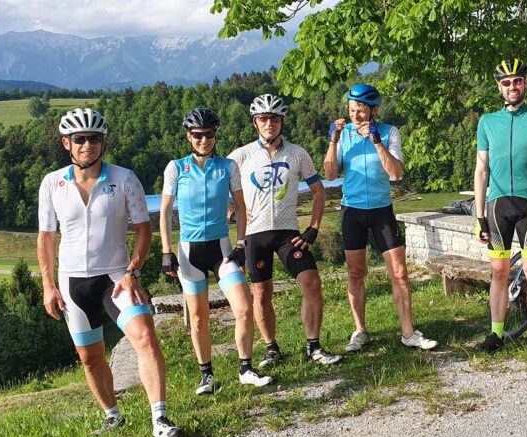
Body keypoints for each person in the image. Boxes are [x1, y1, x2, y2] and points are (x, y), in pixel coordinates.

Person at [37, 108, 184, 437]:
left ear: (103, 142)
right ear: (66, 143)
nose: (88, 144)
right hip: (73, 282)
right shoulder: (52, 183)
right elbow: (46, 237)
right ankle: (112, 416)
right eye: (80, 139)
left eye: (95, 138)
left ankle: (160, 419)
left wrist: (133, 270)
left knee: (145, 337)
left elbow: (144, 230)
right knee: (90, 358)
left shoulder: (124, 178)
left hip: (117, 276)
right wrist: (48, 285)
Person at [159, 108, 274, 395]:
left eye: (209, 134)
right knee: (198, 318)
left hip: (222, 250)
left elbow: (241, 208)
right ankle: (206, 376)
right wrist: (166, 250)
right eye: (197, 135)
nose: (204, 140)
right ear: (188, 136)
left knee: (244, 308)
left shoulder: (227, 167)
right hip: (189, 253)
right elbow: (165, 212)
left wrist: (241, 244)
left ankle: (245, 369)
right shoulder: (176, 168)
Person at [226, 94, 342, 368]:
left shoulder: (297, 153)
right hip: (254, 234)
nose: (269, 123)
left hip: (289, 233)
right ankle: (271, 349)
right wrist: (233, 213)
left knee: (312, 284)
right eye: (264, 118)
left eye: (275, 119)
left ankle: (314, 347)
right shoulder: (240, 156)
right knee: (261, 293)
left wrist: (313, 229)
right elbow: (218, 192)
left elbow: (318, 191)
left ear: (282, 122)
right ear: (255, 123)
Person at [323, 83, 439, 353]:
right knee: (355, 272)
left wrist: (377, 141)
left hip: (381, 210)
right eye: (352, 110)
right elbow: (329, 175)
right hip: (352, 211)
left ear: (374, 111)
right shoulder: (344, 134)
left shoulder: (389, 132)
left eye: (361, 110)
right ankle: (360, 331)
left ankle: (408, 333)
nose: (356, 115)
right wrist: (333, 141)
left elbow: (396, 173)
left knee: (400, 273)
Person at [473, 59, 527, 356]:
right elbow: (481, 171)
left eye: (518, 80)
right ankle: (496, 334)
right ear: (499, 86)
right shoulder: (487, 122)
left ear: (525, 83)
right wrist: (479, 216)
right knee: (499, 271)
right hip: (497, 206)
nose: (512, 86)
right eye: (507, 82)